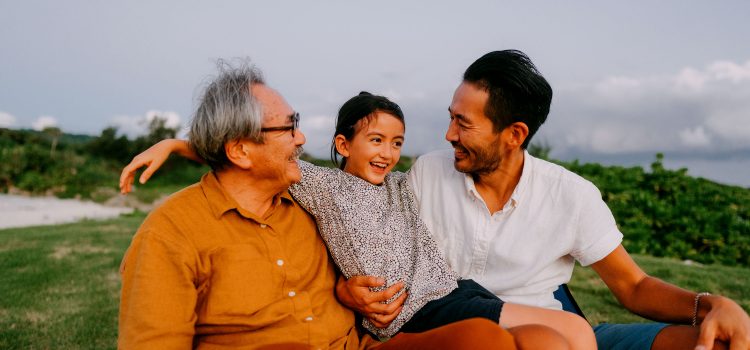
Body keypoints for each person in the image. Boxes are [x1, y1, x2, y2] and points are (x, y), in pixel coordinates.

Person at [335, 50, 750, 350]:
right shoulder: (426, 173)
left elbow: (634, 286)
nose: (449, 134)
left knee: (721, 343)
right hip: (453, 332)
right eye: (450, 116)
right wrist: (345, 288)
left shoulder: (571, 195)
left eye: (463, 123)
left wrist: (711, 305)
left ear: (514, 134)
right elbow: (359, 219)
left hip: (560, 334)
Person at [121, 91, 594, 349]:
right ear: (344, 145)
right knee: (563, 335)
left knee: (544, 337)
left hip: (449, 289)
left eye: (396, 142)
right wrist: (175, 144)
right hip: (414, 311)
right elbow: (236, 151)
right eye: (376, 141)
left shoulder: (399, 185)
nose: (388, 152)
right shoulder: (319, 186)